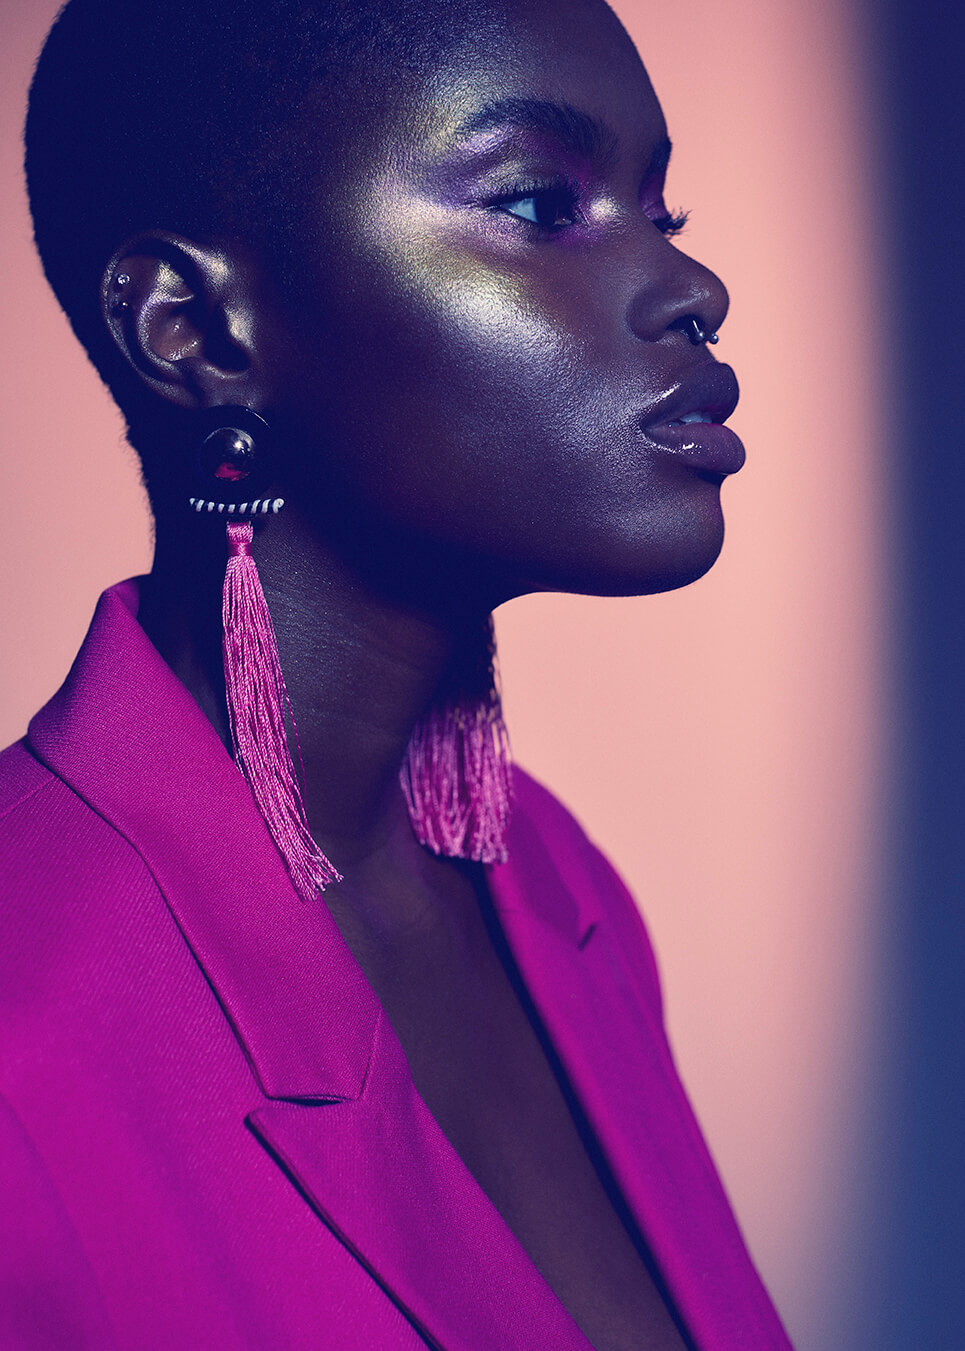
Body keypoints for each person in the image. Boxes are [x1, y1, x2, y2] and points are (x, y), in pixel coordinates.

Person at [0, 0, 793, 1347]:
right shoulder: (26, 1013)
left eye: (661, 211)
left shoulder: (558, 889)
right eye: (539, 203)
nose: (693, 287)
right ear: (194, 329)